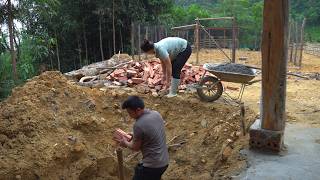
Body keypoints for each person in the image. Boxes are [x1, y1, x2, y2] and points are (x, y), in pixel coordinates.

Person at [114, 96, 169, 180]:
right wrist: (134, 134)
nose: (129, 116)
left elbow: (135, 147)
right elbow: (151, 131)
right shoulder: (156, 114)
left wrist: (124, 142)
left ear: (138, 110)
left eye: (130, 113)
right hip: (164, 162)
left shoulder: (139, 125)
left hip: (152, 166)